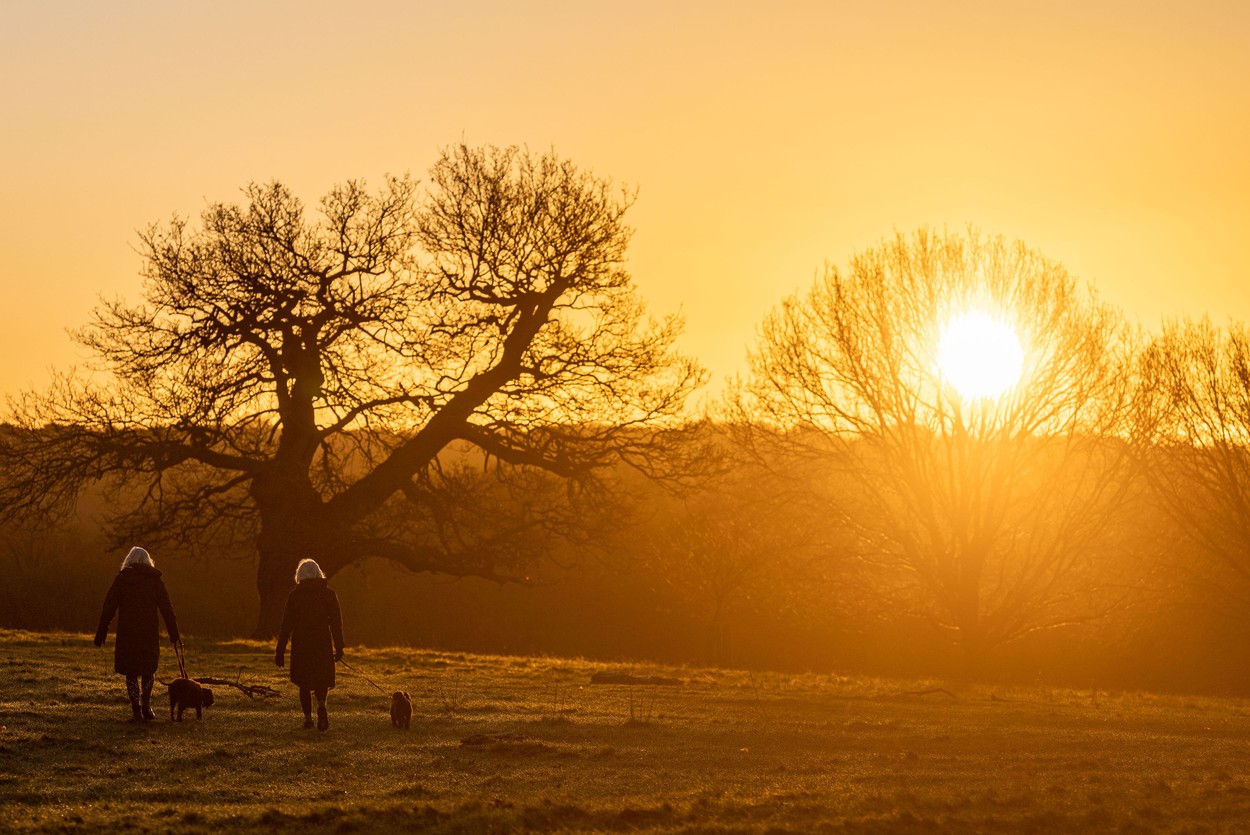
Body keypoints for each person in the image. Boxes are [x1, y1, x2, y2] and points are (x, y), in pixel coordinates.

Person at [94, 546, 181, 722]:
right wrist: (174, 634)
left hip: (128, 632)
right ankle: (146, 706)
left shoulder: (122, 579)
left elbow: (109, 607)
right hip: (148, 632)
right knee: (148, 669)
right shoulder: (155, 581)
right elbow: (167, 608)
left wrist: (102, 631)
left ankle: (135, 709)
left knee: (131, 671)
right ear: (148, 561)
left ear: (129, 560)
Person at [275, 558, 344, 731]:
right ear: (318, 573)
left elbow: (286, 625)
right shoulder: (329, 594)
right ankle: (321, 704)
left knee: (303, 682)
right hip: (322, 643)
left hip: (301, 643)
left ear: (300, 575)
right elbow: (336, 623)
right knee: (322, 679)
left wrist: (280, 650)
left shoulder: (295, 596)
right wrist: (340, 646)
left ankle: (308, 719)